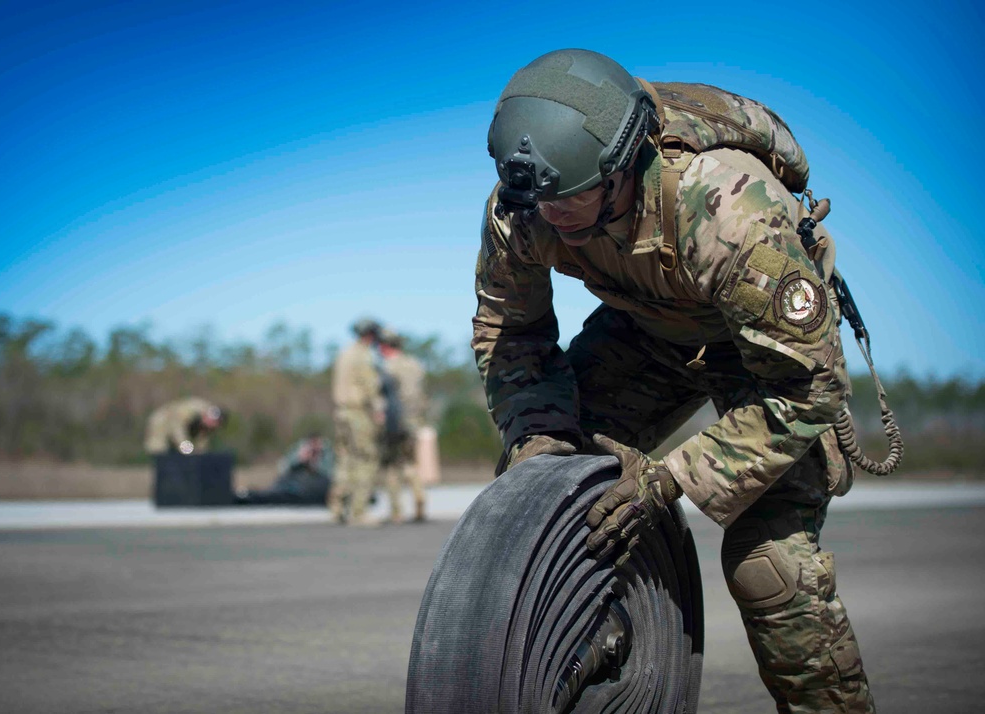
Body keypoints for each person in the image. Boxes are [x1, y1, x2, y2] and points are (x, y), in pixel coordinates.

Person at [473, 49, 873, 712]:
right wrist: (538, 439)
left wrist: (669, 480)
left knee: (769, 567)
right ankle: (585, 655)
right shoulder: (526, 202)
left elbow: (806, 388)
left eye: (570, 196)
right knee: (542, 484)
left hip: (768, 363)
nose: (553, 216)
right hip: (649, 334)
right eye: (539, 200)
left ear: (623, 164)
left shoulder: (731, 213)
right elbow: (513, 338)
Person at [328, 318, 385, 525]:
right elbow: (370, 386)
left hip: (341, 412)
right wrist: (378, 410)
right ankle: (358, 511)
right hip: (358, 413)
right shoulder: (364, 356)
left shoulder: (344, 353)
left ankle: (337, 508)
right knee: (366, 459)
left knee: (344, 459)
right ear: (370, 334)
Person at [377, 328, 428, 523]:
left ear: (385, 345)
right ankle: (419, 498)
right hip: (414, 421)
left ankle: (396, 511)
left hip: (395, 422)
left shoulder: (388, 367)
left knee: (392, 465)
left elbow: (383, 397)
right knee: (411, 463)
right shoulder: (415, 365)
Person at [233, 434, 334, 505]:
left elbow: (329, 475)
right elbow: (283, 468)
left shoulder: (327, 456)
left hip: (307, 490)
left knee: (279, 496)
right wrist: (300, 459)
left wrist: (315, 463)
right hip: (291, 485)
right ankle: (246, 495)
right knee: (272, 493)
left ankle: (247, 496)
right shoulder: (297, 456)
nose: (312, 453)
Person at [143, 397, 227, 455]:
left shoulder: (207, 424)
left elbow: (202, 441)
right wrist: (187, 449)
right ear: (206, 416)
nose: (214, 425)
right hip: (162, 422)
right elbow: (177, 429)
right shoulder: (192, 409)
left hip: (177, 428)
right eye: (213, 422)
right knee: (158, 450)